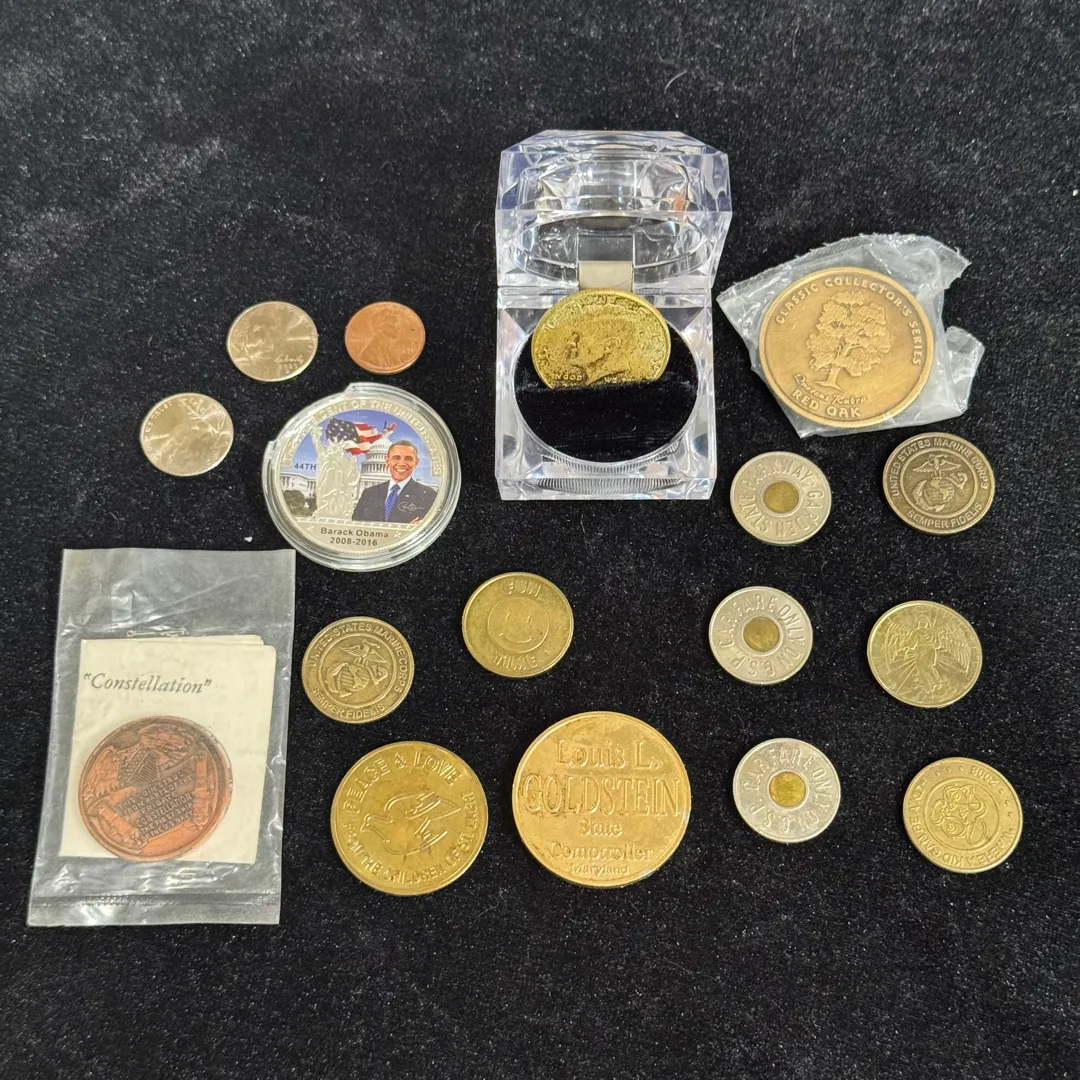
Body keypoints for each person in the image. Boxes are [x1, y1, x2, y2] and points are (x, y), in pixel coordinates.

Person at [352, 440, 436, 524]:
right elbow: (356, 524)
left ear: (416, 462)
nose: (402, 463)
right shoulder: (369, 493)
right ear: (387, 461)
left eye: (408, 458)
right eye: (396, 458)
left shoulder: (428, 495)